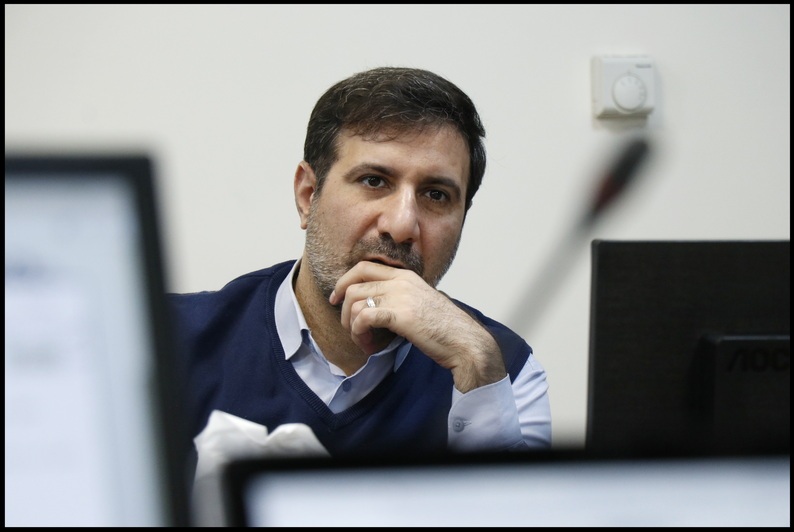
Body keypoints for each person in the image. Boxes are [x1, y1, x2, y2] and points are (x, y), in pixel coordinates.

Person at [168, 66, 552, 459]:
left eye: (436, 195)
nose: (401, 226)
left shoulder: (505, 371)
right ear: (308, 195)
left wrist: (479, 373)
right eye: (374, 181)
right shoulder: (167, 338)